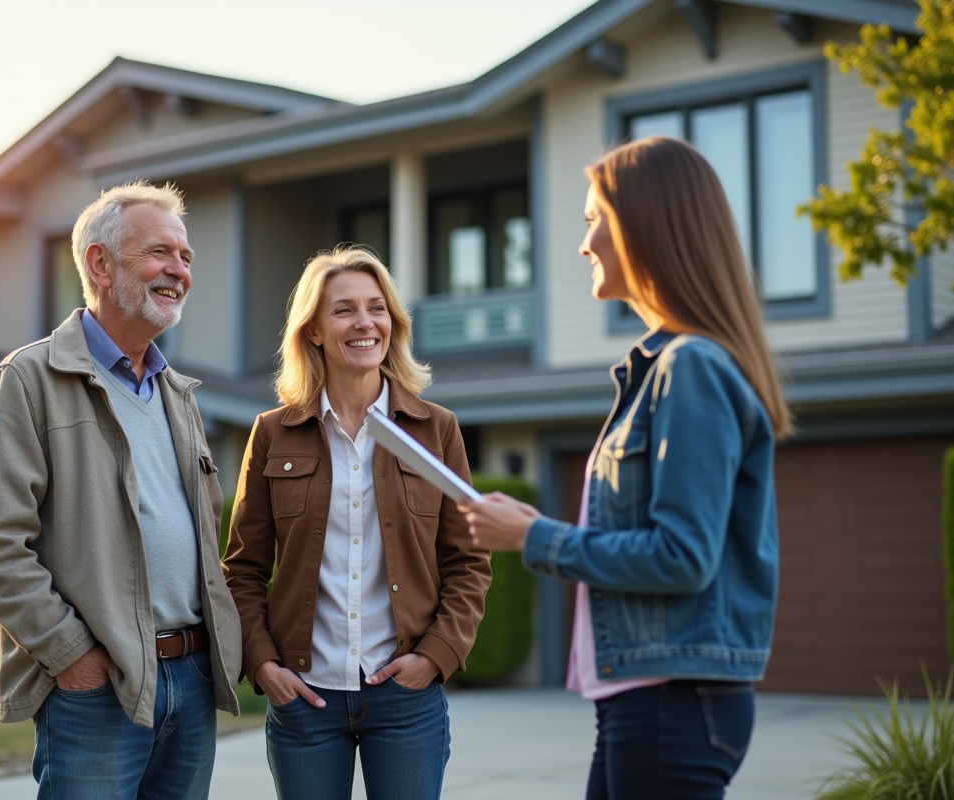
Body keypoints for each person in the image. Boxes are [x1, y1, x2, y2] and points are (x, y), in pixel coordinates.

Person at [462, 136, 792, 800]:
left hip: (671, 700)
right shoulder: (666, 368)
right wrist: (533, 529)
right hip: (648, 697)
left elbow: (682, 557)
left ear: (644, 226)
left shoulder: (689, 368)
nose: (584, 244)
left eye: (595, 219)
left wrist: (534, 538)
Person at [0, 181, 242, 800]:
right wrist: (71, 654)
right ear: (100, 264)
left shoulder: (178, 395)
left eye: (186, 257)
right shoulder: (29, 380)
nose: (179, 271)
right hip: (100, 686)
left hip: (191, 678)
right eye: (160, 252)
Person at [222, 246, 492, 800]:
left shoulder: (436, 429)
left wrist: (435, 655)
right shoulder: (272, 432)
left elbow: (469, 562)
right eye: (344, 310)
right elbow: (243, 570)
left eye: (377, 308)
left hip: (406, 700)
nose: (365, 322)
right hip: (304, 699)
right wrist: (263, 663)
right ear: (314, 330)